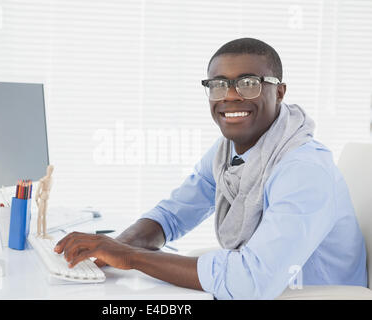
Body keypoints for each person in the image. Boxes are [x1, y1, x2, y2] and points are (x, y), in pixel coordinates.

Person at [54, 38, 367, 299]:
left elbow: (250, 281)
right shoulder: (228, 152)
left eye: (248, 83)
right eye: (218, 85)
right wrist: (113, 248)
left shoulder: (303, 171)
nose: (230, 95)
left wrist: (130, 257)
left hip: (316, 294)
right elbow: (172, 215)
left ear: (280, 92)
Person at [35, 164, 54, 239]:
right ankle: (38, 233)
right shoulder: (43, 180)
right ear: (47, 170)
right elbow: (38, 191)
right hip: (42, 199)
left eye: (51, 170)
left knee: (44, 216)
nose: (50, 171)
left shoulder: (51, 179)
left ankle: (44, 234)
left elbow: (49, 189)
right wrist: (37, 198)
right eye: (49, 170)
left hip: (46, 199)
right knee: (40, 215)